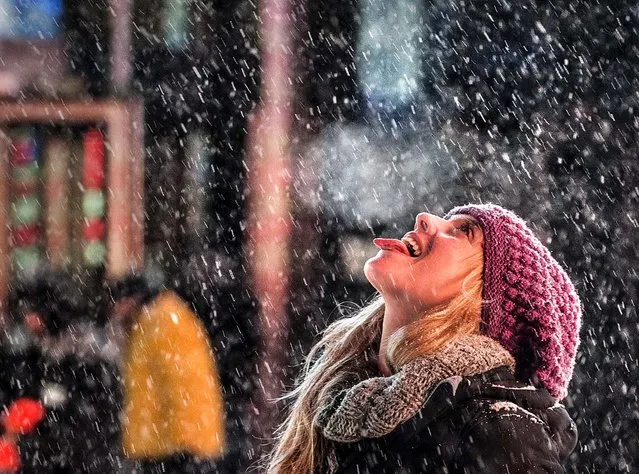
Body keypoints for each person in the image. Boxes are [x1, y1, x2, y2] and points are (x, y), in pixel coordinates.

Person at [267, 203, 582, 473]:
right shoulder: (339, 404)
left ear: (482, 302)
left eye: (463, 231)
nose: (425, 218)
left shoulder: (500, 434)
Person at [107, 272, 226, 473]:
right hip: (163, 441)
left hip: (172, 444)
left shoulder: (161, 321)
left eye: (117, 303)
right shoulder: (150, 321)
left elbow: (183, 381)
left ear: (131, 299)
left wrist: (185, 443)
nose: (115, 311)